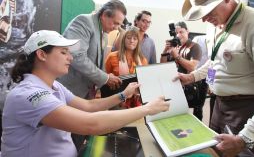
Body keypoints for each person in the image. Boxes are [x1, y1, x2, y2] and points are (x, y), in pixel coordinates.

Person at [1, 30, 169, 157]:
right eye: (63, 52)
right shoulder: (28, 95)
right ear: (41, 54)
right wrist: (147, 109)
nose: (70, 58)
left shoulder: (55, 86)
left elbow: (88, 106)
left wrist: (124, 94)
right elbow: (89, 124)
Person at [178, 0, 254, 156]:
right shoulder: (214, 24)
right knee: (215, 152)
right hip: (218, 105)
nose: (204, 18)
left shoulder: (251, 25)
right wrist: (192, 77)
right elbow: (214, 61)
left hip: (243, 110)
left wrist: (244, 138)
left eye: (208, 9)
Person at [58, 0, 126, 100]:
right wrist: (105, 78)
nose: (116, 28)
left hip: (86, 92)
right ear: (105, 14)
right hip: (69, 90)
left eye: (119, 25)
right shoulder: (84, 21)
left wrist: (105, 78)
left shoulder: (104, 33)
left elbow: (97, 63)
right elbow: (76, 56)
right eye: (115, 23)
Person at [161, 21, 206, 121]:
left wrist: (177, 56)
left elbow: (192, 67)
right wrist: (165, 51)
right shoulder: (175, 46)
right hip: (177, 84)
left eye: (181, 32)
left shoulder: (195, 46)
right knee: (177, 114)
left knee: (196, 114)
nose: (178, 35)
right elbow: (163, 65)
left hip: (195, 85)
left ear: (187, 31)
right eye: (177, 32)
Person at [105, 26, 148, 108]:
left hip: (137, 101)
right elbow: (105, 79)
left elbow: (144, 80)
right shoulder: (112, 57)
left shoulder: (143, 60)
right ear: (124, 39)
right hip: (116, 102)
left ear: (138, 42)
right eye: (128, 38)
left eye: (135, 39)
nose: (132, 41)